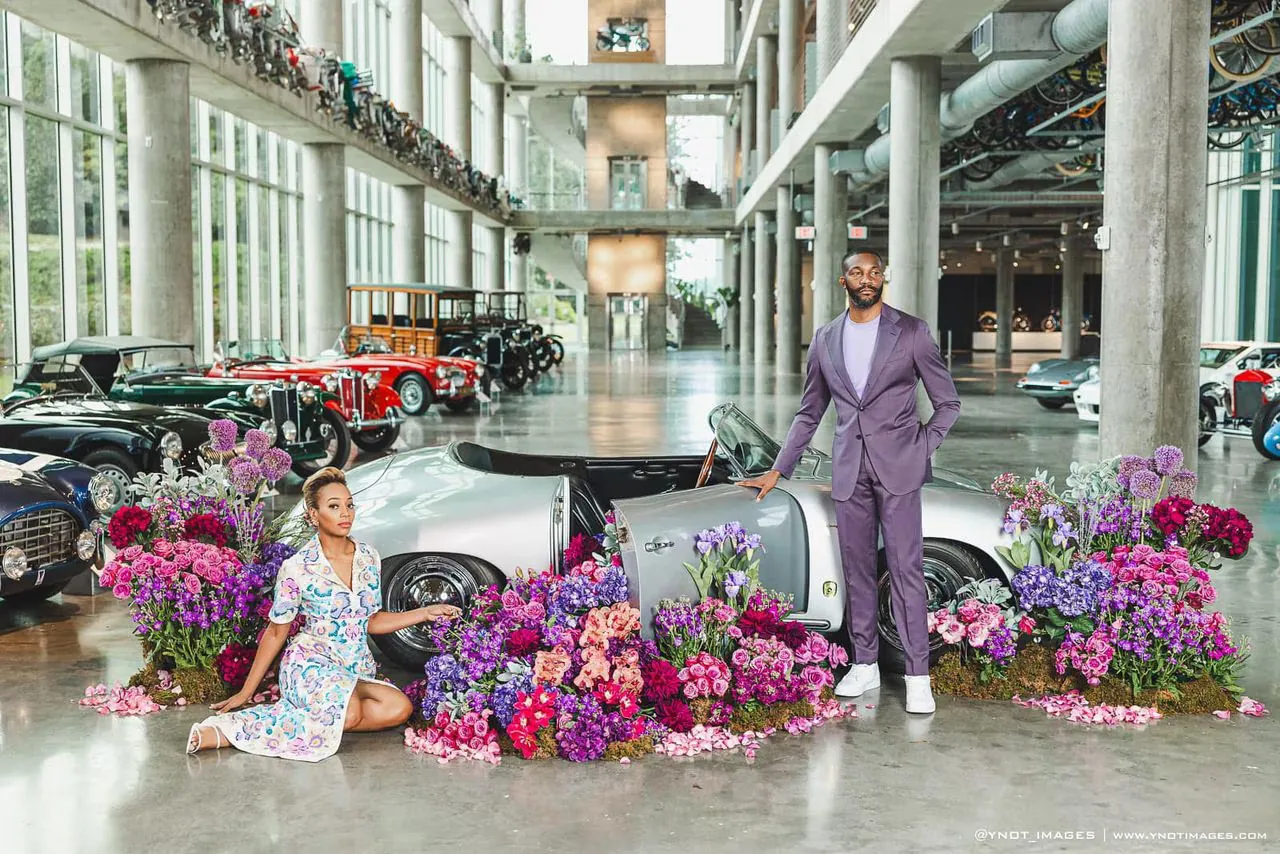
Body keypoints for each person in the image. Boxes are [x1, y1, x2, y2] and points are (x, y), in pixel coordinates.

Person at [738, 251, 960, 714]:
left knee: (905, 569)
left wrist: (920, 448)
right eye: (858, 273)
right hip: (848, 470)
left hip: (898, 470)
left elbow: (947, 403)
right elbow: (809, 412)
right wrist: (780, 468)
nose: (867, 279)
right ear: (842, 280)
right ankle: (865, 665)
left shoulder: (912, 333)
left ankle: (919, 674)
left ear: (883, 279)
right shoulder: (825, 339)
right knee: (856, 570)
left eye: (875, 272)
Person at [185, 466, 461, 760]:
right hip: (309, 661)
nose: (346, 513)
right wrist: (246, 691)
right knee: (352, 711)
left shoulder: (368, 557)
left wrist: (424, 612)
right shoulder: (297, 567)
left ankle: (323, 720)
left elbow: (370, 621)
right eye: (334, 506)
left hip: (354, 666)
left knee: (399, 708)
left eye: (349, 505)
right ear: (313, 515)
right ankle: (228, 732)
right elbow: (277, 631)